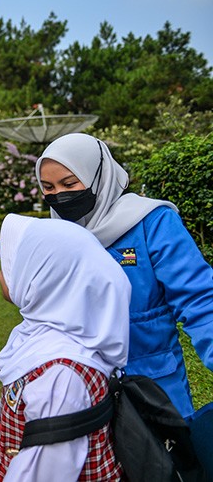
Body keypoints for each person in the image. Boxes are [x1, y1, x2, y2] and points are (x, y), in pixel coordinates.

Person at [36, 133, 213, 421]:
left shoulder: (152, 223)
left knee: (168, 461)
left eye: (69, 184)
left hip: (155, 382)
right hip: (82, 385)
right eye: (48, 187)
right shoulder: (57, 236)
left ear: (99, 176)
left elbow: (201, 300)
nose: (59, 196)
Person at [0, 214, 130, 481]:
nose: (1, 273)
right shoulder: (42, 338)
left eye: (11, 265)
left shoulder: (61, 376)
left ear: (43, 277)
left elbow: (46, 472)